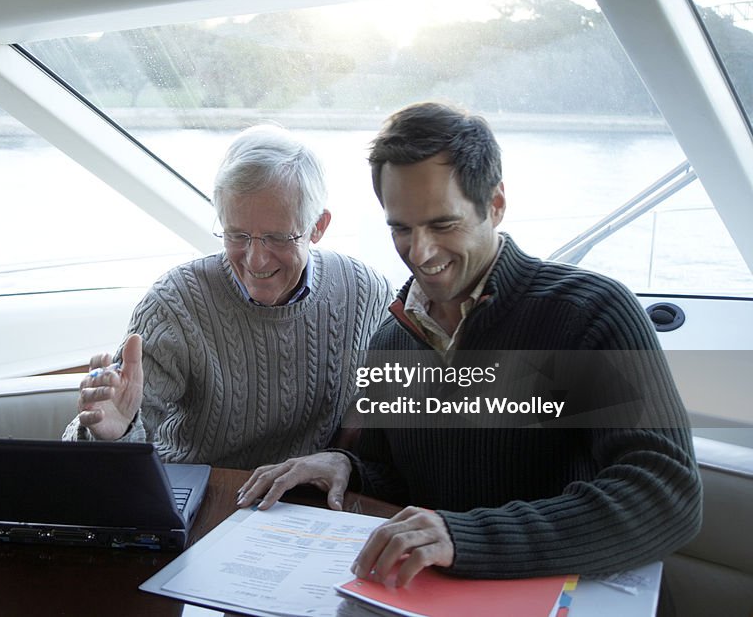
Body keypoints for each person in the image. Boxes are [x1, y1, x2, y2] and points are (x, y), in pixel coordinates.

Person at [237, 102, 702, 585]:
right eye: (401, 227)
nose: (420, 253)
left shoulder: (590, 314)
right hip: (430, 596)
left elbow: (667, 495)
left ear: (495, 204)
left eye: (442, 225)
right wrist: (344, 466)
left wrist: (463, 537)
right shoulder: (392, 342)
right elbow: (398, 478)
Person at [62, 124, 391, 469]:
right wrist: (109, 435)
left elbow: (406, 430)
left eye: (277, 238)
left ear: (318, 227)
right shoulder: (175, 305)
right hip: (198, 501)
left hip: (310, 505)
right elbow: (90, 463)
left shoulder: (367, 293)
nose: (255, 259)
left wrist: (347, 463)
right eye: (237, 235)